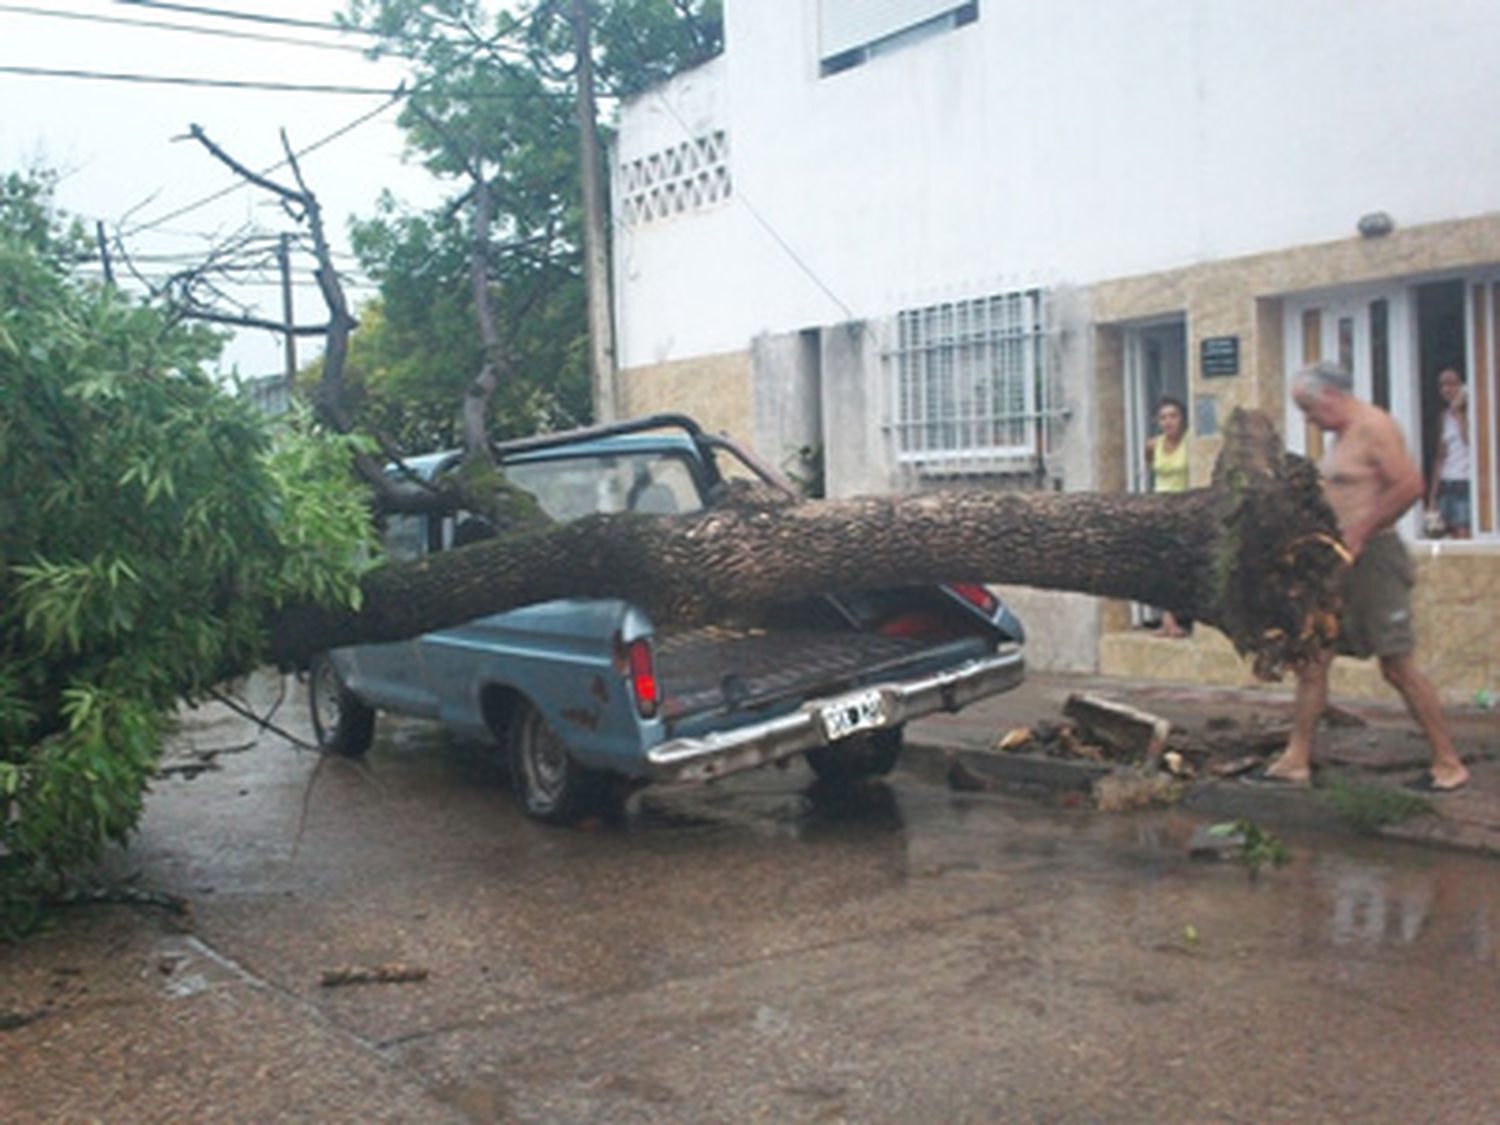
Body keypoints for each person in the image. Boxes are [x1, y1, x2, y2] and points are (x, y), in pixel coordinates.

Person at [1260, 361, 1469, 792]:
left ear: (1332, 396)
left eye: (1310, 408)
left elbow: (1409, 486)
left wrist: (1358, 532)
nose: (1308, 419)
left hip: (1374, 560)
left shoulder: (1375, 427)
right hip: (1340, 564)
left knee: (1397, 665)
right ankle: (1296, 759)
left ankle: (1448, 764)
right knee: (1313, 661)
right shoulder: (1342, 438)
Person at [1144, 396, 1192, 637]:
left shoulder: (1191, 443)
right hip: (1160, 509)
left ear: (1182, 419)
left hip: (1184, 508)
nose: (1168, 422)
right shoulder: (1153, 445)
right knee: (1163, 566)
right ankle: (1167, 619)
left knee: (1183, 566)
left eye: (1173, 416)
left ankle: (1186, 616)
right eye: (1163, 417)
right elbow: (1152, 468)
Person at [1425, 366, 1472, 539]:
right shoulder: (1443, 417)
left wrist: (1459, 412)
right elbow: (1440, 457)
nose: (1447, 389)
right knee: (1443, 533)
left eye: (1452, 384)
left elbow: (1472, 443)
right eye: (1443, 385)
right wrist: (1432, 498)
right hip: (1446, 482)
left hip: (1465, 482)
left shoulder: (1474, 414)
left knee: (1463, 533)